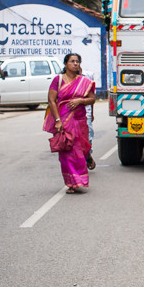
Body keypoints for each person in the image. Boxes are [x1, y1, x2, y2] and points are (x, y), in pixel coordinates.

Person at [43, 53, 95, 193]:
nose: (75, 64)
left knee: (79, 150)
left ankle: (83, 172)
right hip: (64, 120)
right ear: (66, 64)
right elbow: (51, 101)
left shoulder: (84, 81)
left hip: (79, 120)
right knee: (67, 151)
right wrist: (58, 120)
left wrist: (81, 101)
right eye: (72, 61)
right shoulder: (58, 80)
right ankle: (72, 183)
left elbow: (92, 99)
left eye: (78, 61)